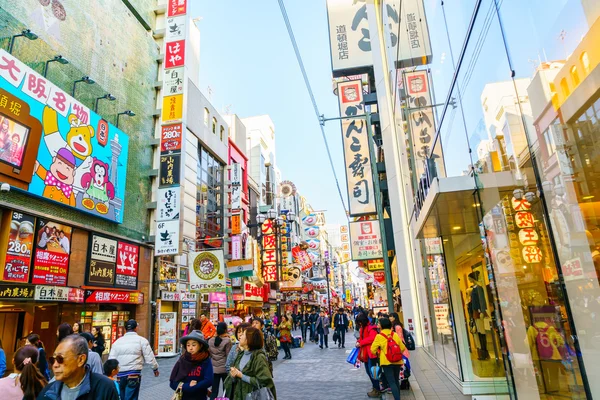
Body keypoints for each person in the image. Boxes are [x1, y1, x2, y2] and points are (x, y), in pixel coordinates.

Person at [39, 334, 118, 399]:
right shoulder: (48, 391)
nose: (55, 365)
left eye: (60, 359)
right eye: (52, 360)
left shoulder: (104, 388)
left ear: (80, 360)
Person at [108, 319, 159, 400]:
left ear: (125, 329)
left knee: (121, 397)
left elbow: (110, 360)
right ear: (136, 328)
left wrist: (109, 374)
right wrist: (155, 368)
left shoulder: (117, 342)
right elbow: (149, 357)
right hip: (133, 374)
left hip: (120, 375)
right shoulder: (141, 340)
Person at [223, 327, 276, 400]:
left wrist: (241, 376)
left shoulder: (258, 357)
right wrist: (233, 374)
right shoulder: (240, 354)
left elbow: (264, 382)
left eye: (243, 334)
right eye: (239, 333)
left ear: (249, 338)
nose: (240, 336)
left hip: (253, 396)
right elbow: (232, 378)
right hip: (238, 395)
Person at [169, 330, 213, 400]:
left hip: (200, 397)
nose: (190, 348)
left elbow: (209, 380)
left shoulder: (205, 360)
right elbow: (172, 382)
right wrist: (187, 386)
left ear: (200, 345)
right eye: (188, 345)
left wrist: (195, 386)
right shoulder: (182, 360)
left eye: (194, 345)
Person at [371, 318, 406, 400]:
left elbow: (373, 350)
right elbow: (403, 348)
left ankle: (397, 399)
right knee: (396, 381)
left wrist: (379, 353)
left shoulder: (379, 336)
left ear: (382, 326)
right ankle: (398, 397)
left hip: (386, 362)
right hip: (397, 361)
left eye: (379, 323)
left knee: (391, 381)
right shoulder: (395, 334)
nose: (378, 325)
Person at [356, 312, 381, 398]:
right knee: (369, 371)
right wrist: (359, 342)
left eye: (359, 322)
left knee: (372, 372)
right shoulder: (363, 328)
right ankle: (375, 388)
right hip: (366, 353)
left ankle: (377, 389)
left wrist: (361, 342)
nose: (359, 324)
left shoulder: (371, 328)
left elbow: (372, 338)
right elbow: (362, 338)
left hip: (371, 353)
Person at [208, 322, 232, 400]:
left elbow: (209, 354)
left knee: (214, 391)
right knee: (226, 390)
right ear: (225, 330)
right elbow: (229, 356)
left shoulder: (210, 340)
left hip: (214, 369)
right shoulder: (227, 340)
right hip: (224, 369)